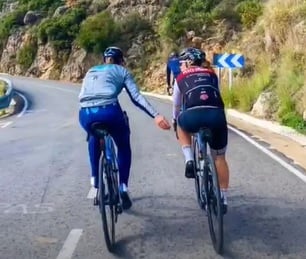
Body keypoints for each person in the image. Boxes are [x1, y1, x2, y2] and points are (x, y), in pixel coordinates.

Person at [78, 46, 171, 210]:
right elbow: (136, 98)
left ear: (104, 60)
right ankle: (122, 187)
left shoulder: (91, 71)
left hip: (85, 113)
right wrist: (156, 115)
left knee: (93, 135)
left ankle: (95, 181)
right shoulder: (121, 71)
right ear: (121, 61)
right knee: (123, 144)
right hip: (110, 111)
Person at [172, 47, 230, 213]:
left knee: (181, 124)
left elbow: (176, 104)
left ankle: (189, 159)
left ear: (189, 62)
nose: (180, 66)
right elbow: (217, 95)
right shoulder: (212, 74)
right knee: (219, 157)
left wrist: (175, 120)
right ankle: (223, 198)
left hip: (192, 116)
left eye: (182, 63)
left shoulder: (180, 77)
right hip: (216, 116)